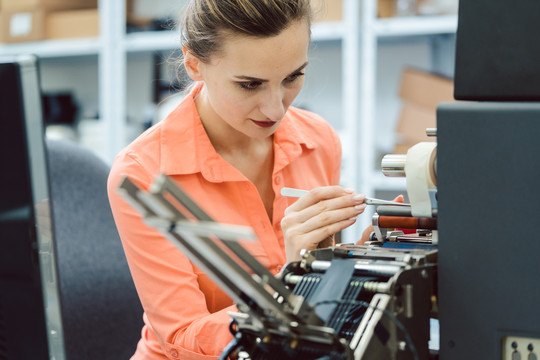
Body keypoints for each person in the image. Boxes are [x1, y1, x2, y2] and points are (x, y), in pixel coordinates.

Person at [107, 1, 370, 359]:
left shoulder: (319, 140)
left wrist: (373, 259)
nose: (276, 109)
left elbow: (325, 298)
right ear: (194, 63)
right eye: (249, 85)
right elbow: (183, 334)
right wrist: (291, 287)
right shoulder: (143, 174)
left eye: (293, 77)